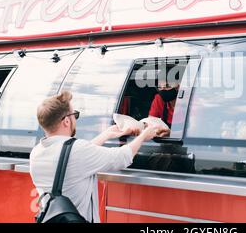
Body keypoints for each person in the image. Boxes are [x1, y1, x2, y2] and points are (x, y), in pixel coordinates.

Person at [29, 90, 166, 223]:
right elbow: (122, 157)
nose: (74, 119)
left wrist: (107, 134)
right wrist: (144, 135)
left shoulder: (36, 153)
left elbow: (70, 156)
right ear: (66, 121)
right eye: (74, 115)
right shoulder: (79, 151)